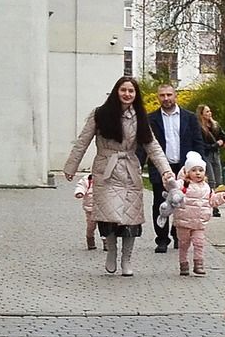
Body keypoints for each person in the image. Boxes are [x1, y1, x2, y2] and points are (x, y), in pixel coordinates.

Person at [64, 76, 177, 277]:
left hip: (130, 171)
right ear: (117, 91)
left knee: (130, 219)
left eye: (131, 91)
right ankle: (111, 252)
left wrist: (165, 170)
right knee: (108, 216)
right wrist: (71, 166)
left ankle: (126, 258)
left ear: (136, 95)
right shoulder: (100, 114)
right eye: (123, 90)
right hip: (106, 170)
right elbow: (83, 141)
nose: (127, 94)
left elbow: (153, 147)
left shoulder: (140, 117)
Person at [147, 84, 212, 253]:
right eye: (162, 95)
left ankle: (178, 235)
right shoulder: (151, 119)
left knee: (182, 202)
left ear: (175, 95)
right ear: (158, 97)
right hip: (161, 166)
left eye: (169, 94)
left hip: (184, 167)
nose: (166, 98)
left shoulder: (189, 118)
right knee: (159, 202)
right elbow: (145, 145)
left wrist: (200, 166)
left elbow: (198, 142)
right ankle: (161, 239)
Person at [168, 155, 224, 276]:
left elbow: (212, 201)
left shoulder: (207, 187)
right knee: (184, 244)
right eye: (194, 170)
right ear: (187, 172)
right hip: (183, 221)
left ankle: (199, 264)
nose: (197, 173)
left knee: (199, 242)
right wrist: (170, 180)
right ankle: (183, 263)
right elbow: (171, 189)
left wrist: (220, 198)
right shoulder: (182, 185)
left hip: (199, 222)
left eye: (201, 170)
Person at [196, 105, 225, 187]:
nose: (210, 113)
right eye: (207, 112)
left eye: (210, 111)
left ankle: (219, 197)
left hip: (216, 154)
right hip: (206, 154)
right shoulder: (198, 127)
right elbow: (201, 145)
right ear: (201, 114)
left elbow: (223, 136)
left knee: (219, 178)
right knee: (211, 180)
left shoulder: (215, 124)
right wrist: (215, 145)